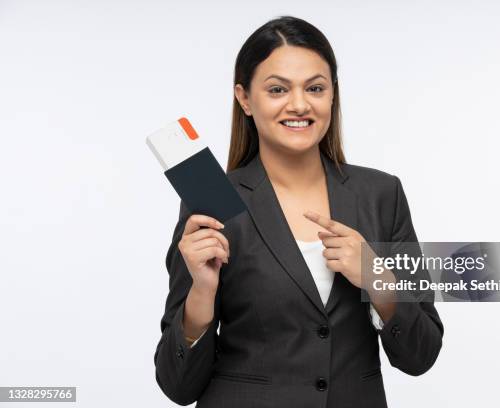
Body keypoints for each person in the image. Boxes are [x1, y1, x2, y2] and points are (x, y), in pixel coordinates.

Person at [154, 15, 444, 408]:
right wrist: (202, 294)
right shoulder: (211, 198)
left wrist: (377, 278)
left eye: (315, 88)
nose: (299, 104)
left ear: (332, 95)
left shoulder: (381, 194)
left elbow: (421, 355)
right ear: (244, 98)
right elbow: (177, 386)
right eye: (277, 89)